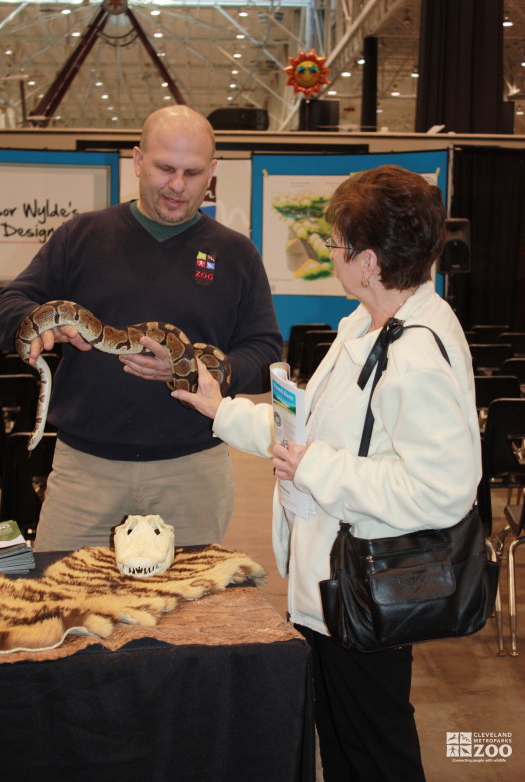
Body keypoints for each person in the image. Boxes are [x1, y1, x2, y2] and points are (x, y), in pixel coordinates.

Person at [168, 165, 481, 781]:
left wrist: (320, 469)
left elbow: (443, 491)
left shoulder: (415, 353)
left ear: (368, 261)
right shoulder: (363, 328)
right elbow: (305, 434)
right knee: (341, 749)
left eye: (336, 245)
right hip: (327, 584)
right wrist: (222, 410)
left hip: (365, 588)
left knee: (375, 754)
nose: (329, 255)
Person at [0, 105, 283, 552]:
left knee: (190, 612)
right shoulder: (82, 236)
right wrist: (32, 326)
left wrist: (200, 369)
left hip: (193, 471)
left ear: (212, 172)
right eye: (165, 168)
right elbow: (12, 302)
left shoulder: (236, 253)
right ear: (137, 160)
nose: (177, 185)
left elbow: (266, 352)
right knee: (68, 606)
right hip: (85, 471)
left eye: (192, 173)